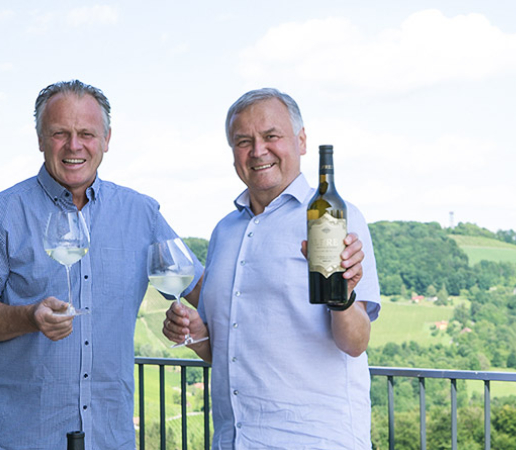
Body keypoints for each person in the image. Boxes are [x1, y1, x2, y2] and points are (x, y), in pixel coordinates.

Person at [0, 80, 203, 449]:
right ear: (41, 139)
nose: (74, 146)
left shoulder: (142, 213)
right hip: (22, 439)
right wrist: (30, 317)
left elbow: (201, 289)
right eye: (60, 133)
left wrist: (190, 323)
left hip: (109, 438)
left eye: (86, 133)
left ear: (106, 139)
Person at [163, 88, 381, 449]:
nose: (258, 150)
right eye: (243, 141)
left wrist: (341, 297)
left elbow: (356, 343)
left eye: (271, 136)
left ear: (301, 140)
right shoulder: (224, 232)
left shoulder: (332, 218)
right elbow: (229, 353)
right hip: (233, 440)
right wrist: (197, 334)